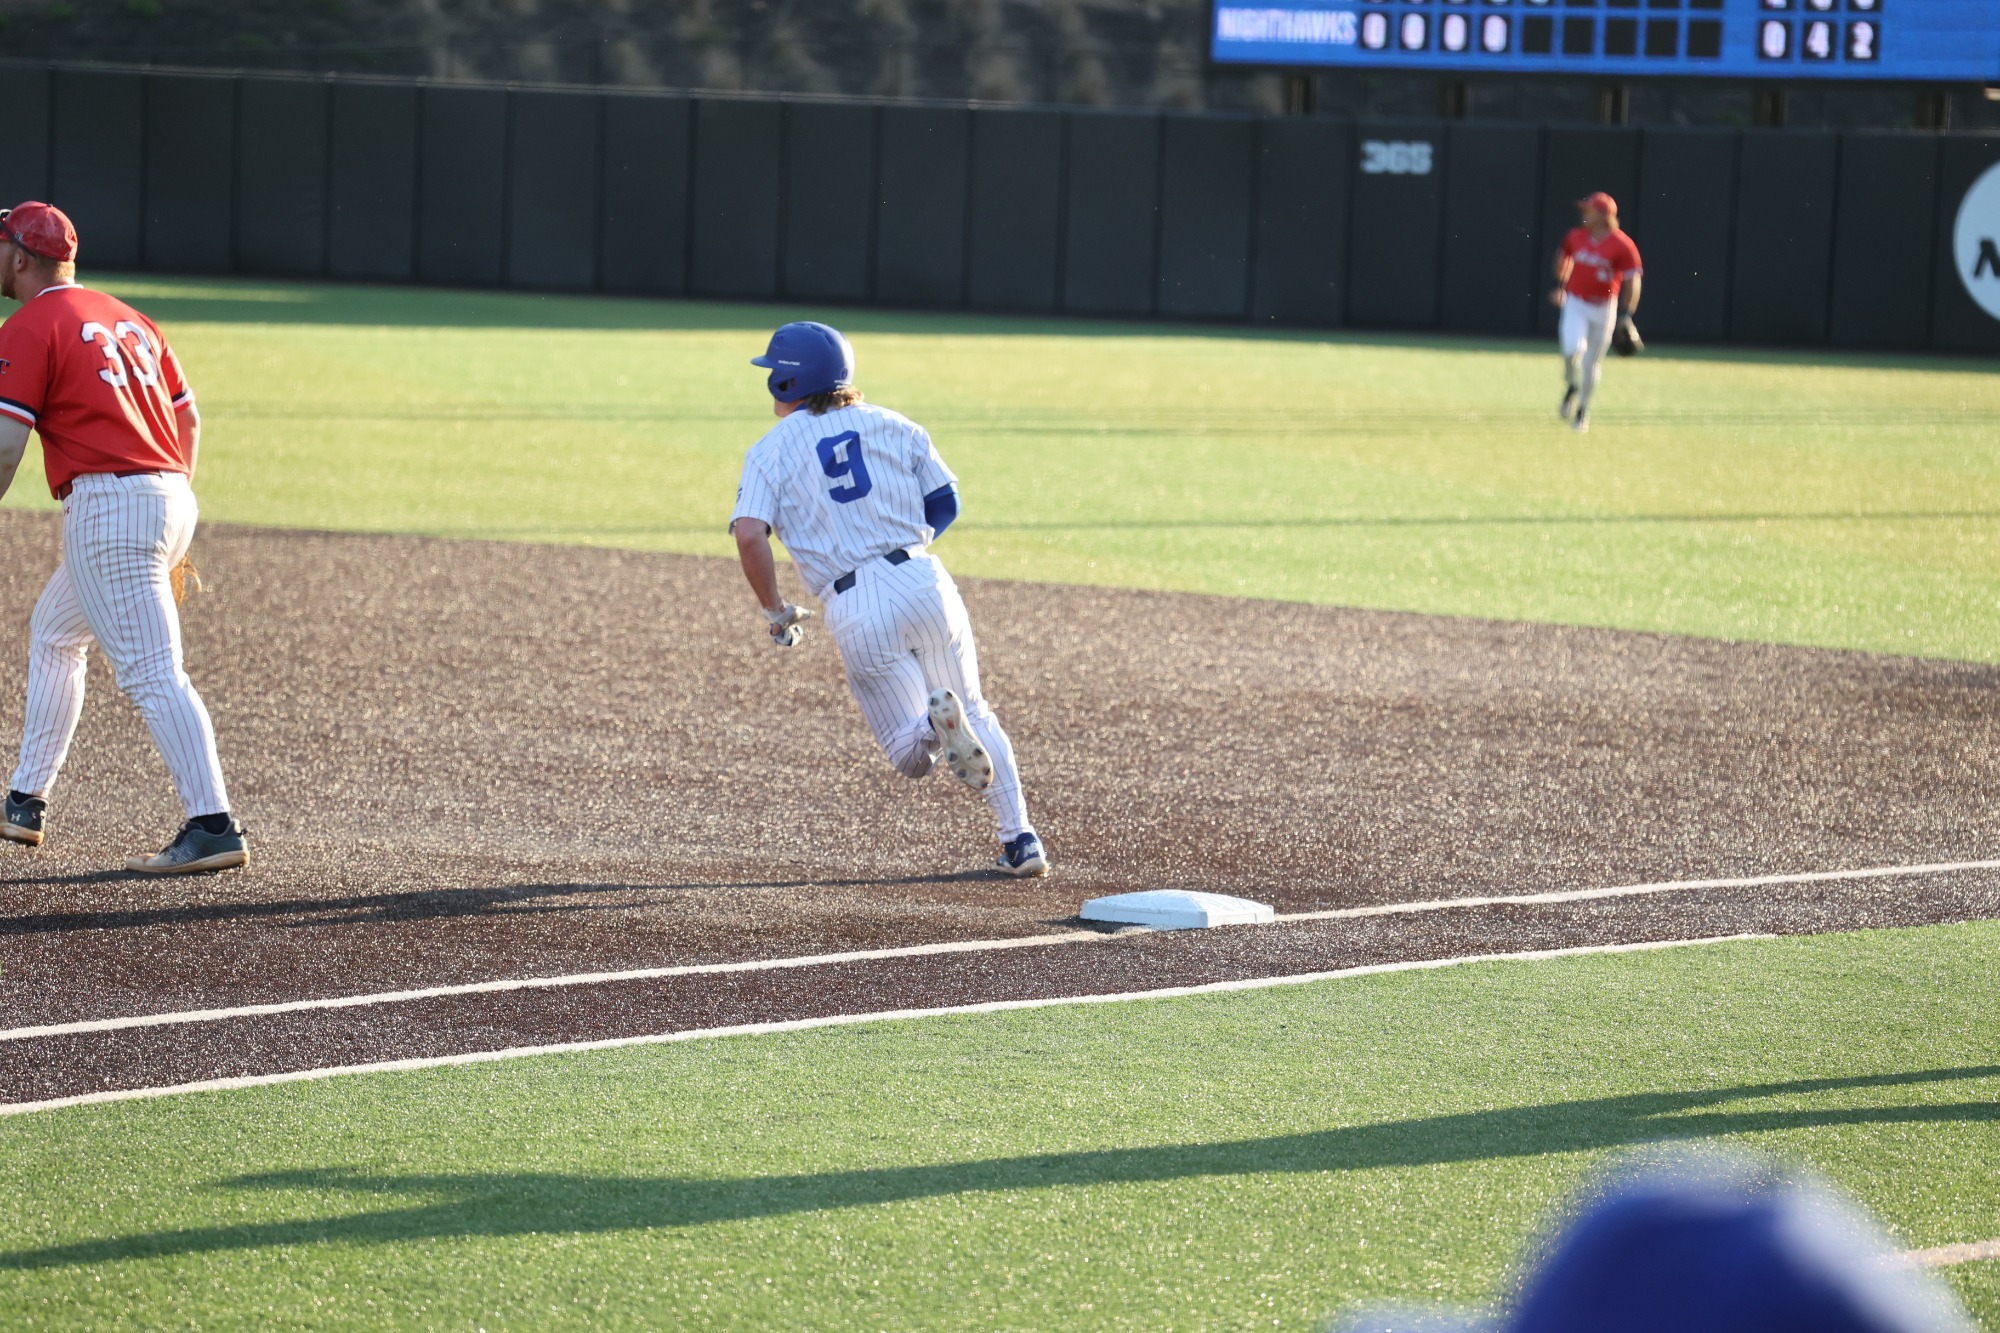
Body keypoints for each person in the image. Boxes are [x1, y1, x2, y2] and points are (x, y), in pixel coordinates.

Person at [728, 321, 1046, 877]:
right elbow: (945, 502)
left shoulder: (768, 452)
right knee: (975, 710)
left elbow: (750, 535)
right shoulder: (895, 423)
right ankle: (1021, 839)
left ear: (787, 382)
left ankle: (931, 727)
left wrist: (775, 609)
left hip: (856, 603)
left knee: (910, 757)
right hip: (925, 581)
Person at [0, 202, 248, 873]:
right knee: (55, 632)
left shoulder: (30, 324)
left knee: (152, 672)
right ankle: (25, 800)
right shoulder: (131, 318)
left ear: (20, 258)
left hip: (111, 508)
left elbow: (6, 443)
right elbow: (188, 419)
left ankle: (213, 825)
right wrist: (165, 506)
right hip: (169, 494)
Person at [1550, 191, 1643, 434]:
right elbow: (1563, 263)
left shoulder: (1622, 245)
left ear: (1604, 216)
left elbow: (1633, 281)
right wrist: (1560, 284)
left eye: (1590, 210)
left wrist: (1626, 314)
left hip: (1604, 307)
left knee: (1592, 362)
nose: (1585, 214)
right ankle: (1572, 385)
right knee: (1572, 350)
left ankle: (1582, 411)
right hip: (1576, 302)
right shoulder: (1575, 236)